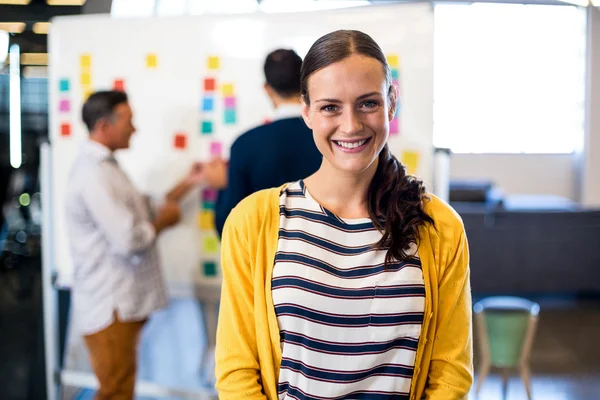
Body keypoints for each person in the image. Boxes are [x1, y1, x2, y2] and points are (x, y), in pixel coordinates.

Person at [215, 30, 473, 399]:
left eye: (368, 103)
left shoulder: (439, 226)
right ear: (307, 111)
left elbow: (450, 372)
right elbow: (237, 370)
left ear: (391, 102)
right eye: (330, 107)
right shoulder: (253, 221)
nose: (350, 125)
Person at [65, 90, 204, 400]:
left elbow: (145, 207)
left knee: (120, 386)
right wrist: (164, 223)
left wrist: (189, 182)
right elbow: (129, 238)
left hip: (120, 303)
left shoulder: (108, 169)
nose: (135, 128)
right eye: (128, 120)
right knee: (115, 390)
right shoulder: (94, 175)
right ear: (104, 126)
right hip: (110, 304)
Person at [202, 49, 322, 237]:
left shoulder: (245, 145)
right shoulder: (330, 137)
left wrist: (223, 187)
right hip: (327, 255)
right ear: (305, 83)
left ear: (267, 88)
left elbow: (229, 226)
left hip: (267, 261)